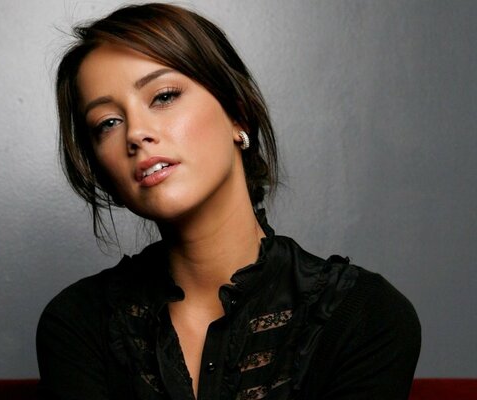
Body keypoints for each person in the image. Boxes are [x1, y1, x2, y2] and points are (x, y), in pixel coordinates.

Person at [36, 3, 421, 399]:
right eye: (107, 123)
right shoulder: (79, 324)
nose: (135, 133)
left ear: (237, 114)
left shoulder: (364, 316)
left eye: (164, 96)